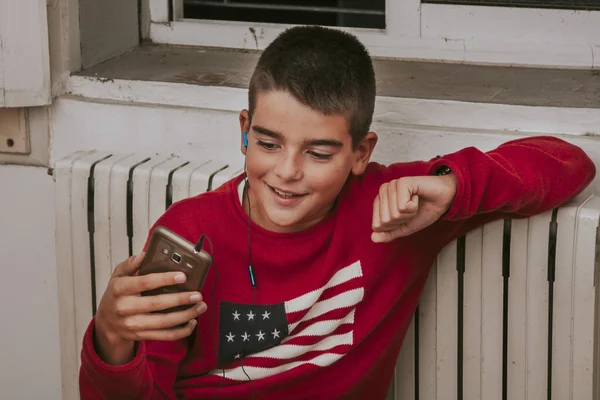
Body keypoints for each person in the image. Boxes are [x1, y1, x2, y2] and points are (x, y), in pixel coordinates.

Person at [78, 25, 596, 399]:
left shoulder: (395, 211)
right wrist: (111, 340)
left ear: (360, 153)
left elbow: (570, 164)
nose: (286, 171)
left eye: (319, 153)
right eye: (267, 143)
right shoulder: (190, 234)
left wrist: (451, 185)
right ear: (243, 129)